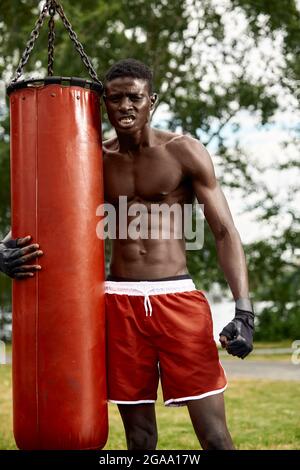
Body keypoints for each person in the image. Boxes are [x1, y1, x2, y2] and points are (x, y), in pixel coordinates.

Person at [0, 58, 254, 450]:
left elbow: (224, 231)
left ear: (151, 100)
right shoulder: (94, 159)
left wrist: (244, 310)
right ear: (104, 104)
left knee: (216, 437)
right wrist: (4, 247)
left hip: (177, 300)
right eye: (115, 99)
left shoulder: (184, 151)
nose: (124, 107)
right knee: (139, 438)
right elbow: (44, 205)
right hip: (118, 305)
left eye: (134, 97)